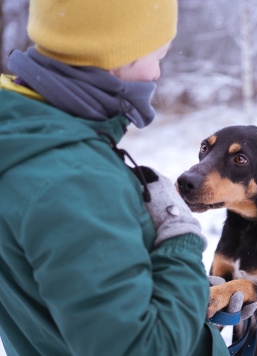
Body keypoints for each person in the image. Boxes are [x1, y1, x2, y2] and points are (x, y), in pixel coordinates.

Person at [0, 0, 233, 355]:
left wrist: (188, 295)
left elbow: (77, 295)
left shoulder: (24, 136)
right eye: (155, 55)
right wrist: (180, 240)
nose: (156, 73)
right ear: (116, 55)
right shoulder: (72, 180)